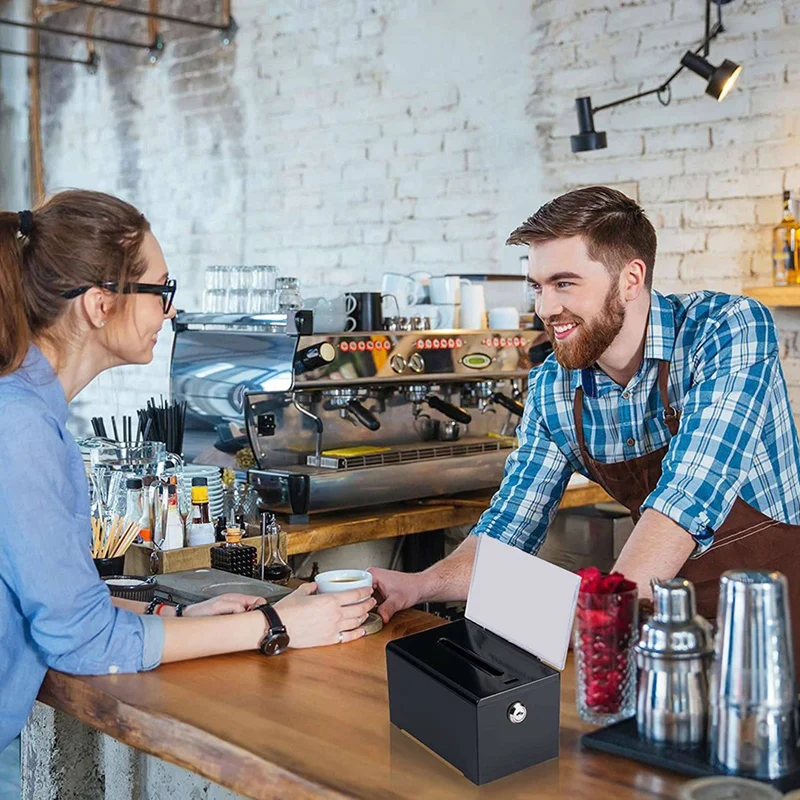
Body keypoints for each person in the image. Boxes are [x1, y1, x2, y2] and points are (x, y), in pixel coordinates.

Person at [0, 190, 374, 751]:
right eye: (161, 290)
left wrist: (180, 612)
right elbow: (83, 641)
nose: (170, 310)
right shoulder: (21, 427)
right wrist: (276, 626)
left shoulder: (27, 411)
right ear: (100, 305)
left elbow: (60, 598)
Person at [370, 185, 800, 654]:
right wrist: (418, 585)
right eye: (537, 287)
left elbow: (688, 497)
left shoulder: (726, 329)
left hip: (780, 613)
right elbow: (509, 527)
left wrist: (600, 617)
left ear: (631, 279)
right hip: (666, 620)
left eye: (564, 284)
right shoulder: (553, 388)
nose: (545, 308)